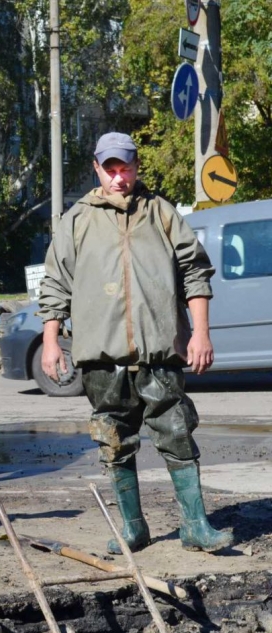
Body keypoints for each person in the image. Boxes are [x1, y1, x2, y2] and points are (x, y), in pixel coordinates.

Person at [38, 132, 233, 555]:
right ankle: (133, 528)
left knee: (178, 434)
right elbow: (55, 285)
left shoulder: (161, 214)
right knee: (114, 441)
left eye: (125, 167)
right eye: (110, 168)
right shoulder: (77, 220)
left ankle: (195, 526)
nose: (119, 177)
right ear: (96, 168)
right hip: (101, 359)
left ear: (137, 166)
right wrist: (52, 342)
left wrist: (200, 332)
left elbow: (195, 273)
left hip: (160, 353)